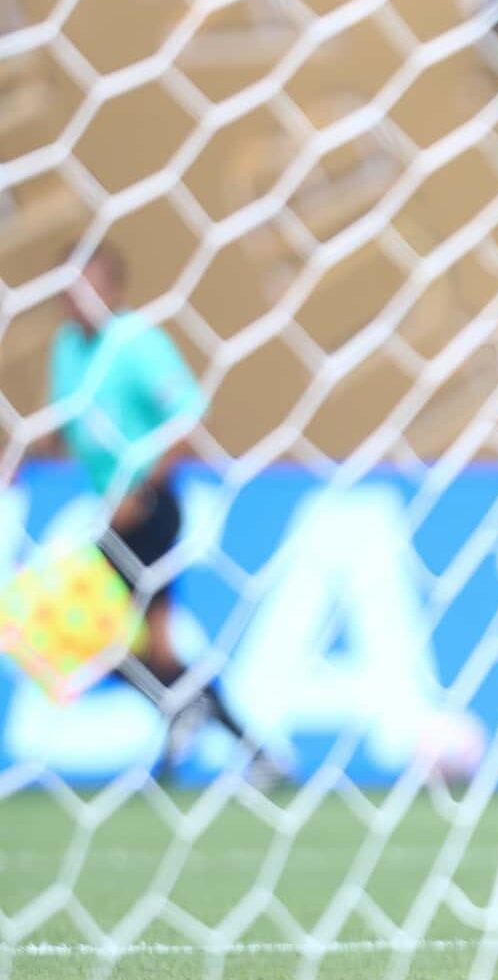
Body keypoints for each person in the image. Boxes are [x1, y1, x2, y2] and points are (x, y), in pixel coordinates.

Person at [45, 246, 284, 785]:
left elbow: (188, 420)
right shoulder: (67, 347)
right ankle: (222, 734)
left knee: (113, 641)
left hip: (149, 509)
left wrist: (140, 486)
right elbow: (66, 424)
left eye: (87, 285)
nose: (75, 298)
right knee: (137, 649)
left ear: (113, 290)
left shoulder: (137, 343)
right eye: (68, 287)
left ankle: (205, 724)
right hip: (113, 516)